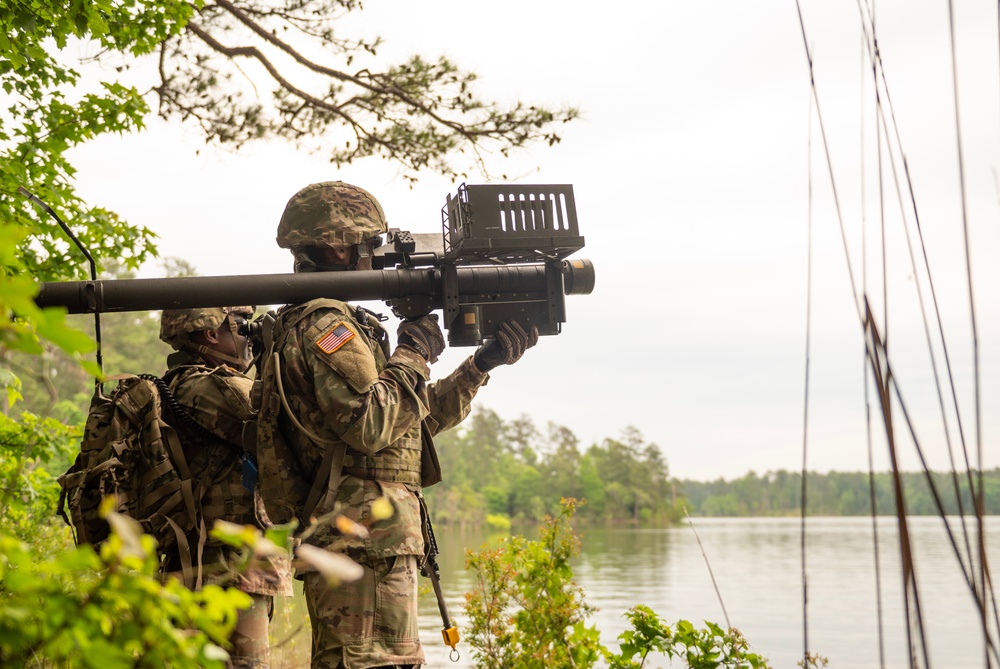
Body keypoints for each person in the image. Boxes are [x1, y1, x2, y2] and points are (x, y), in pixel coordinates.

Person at [270, 181, 538, 669]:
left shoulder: (335, 322)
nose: (379, 256)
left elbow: (404, 427)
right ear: (337, 245)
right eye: (372, 244)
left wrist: (479, 366)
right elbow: (371, 422)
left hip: (373, 546)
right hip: (362, 546)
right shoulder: (326, 326)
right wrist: (414, 350)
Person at [159, 306, 293, 669]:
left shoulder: (186, 385)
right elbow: (286, 421)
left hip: (215, 566)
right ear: (211, 334)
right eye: (239, 326)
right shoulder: (205, 387)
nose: (247, 337)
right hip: (224, 569)